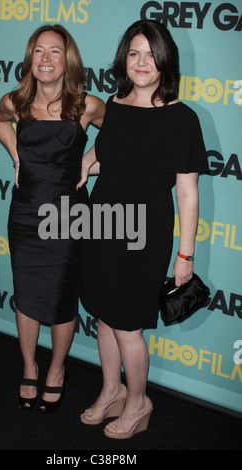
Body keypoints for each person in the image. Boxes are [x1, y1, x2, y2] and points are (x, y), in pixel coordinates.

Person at [77, 20, 208, 439]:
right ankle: (111, 390)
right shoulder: (115, 105)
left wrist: (184, 255)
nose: (141, 62)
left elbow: (187, 193)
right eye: (134, 53)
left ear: (165, 60)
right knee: (102, 314)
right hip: (101, 224)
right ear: (123, 59)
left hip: (143, 233)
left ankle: (138, 403)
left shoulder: (183, 118)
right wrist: (86, 160)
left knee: (127, 324)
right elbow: (113, 152)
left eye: (151, 54)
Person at [0, 24, 105, 413]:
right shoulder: (16, 101)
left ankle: (56, 370)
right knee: (25, 294)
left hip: (69, 216)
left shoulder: (86, 105)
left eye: (54, 51)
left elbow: (122, 136)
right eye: (39, 51)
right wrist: (15, 156)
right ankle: (29, 364)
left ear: (67, 59)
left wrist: (90, 162)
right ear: (30, 58)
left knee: (60, 297)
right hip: (25, 212)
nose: (46, 58)